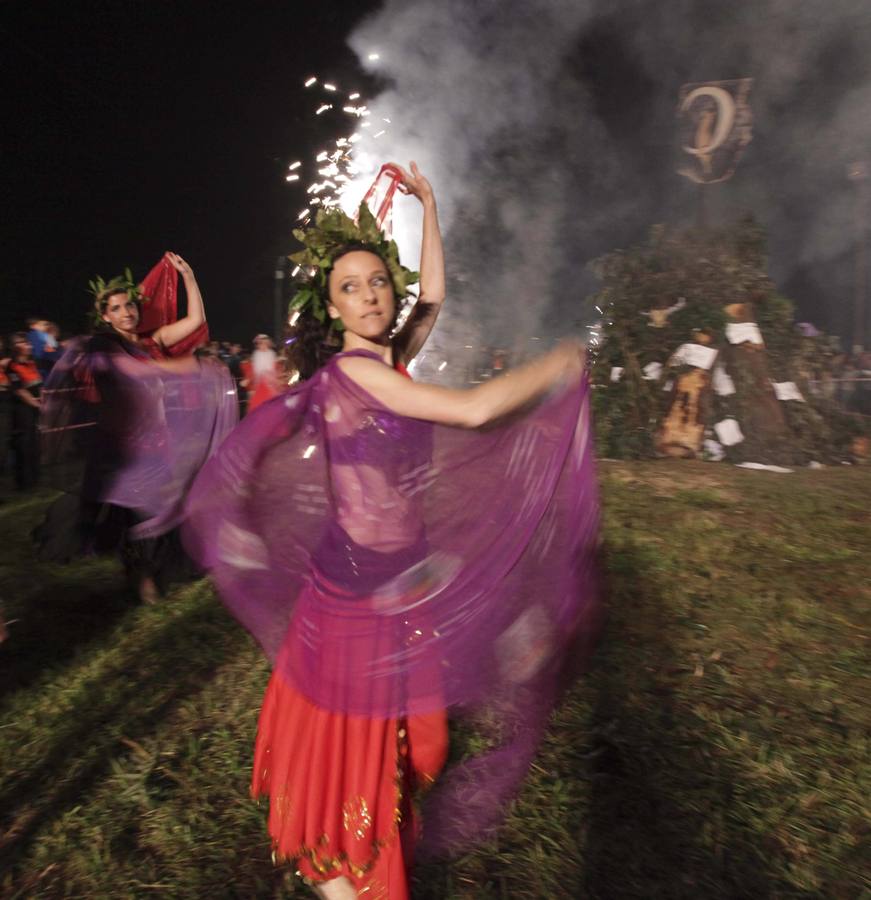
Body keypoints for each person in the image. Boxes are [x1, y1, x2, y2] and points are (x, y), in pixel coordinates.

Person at [183, 163, 600, 899]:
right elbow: (473, 411)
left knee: (419, 736)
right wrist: (556, 365)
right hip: (357, 593)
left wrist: (430, 207)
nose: (371, 294)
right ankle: (345, 873)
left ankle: (353, 848)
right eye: (351, 286)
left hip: (401, 580)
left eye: (378, 280)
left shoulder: (393, 358)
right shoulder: (357, 373)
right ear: (331, 303)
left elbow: (432, 294)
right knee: (361, 753)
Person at [37, 253, 237, 602]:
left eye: (130, 305)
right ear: (105, 316)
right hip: (122, 449)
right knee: (135, 515)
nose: (127, 312)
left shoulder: (151, 342)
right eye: (117, 308)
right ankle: (142, 576)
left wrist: (189, 276)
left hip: (156, 445)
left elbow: (196, 319)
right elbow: (139, 374)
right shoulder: (102, 347)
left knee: (159, 510)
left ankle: (147, 573)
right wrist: (193, 369)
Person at [7, 332, 42, 490]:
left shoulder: (31, 363)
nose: (29, 346)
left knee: (34, 444)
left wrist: (42, 399)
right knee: (24, 445)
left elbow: (38, 384)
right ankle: (24, 483)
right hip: (22, 411)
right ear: (15, 347)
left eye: (28, 343)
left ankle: (34, 479)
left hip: (34, 409)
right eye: (25, 343)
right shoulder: (12, 367)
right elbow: (20, 391)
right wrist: (37, 404)